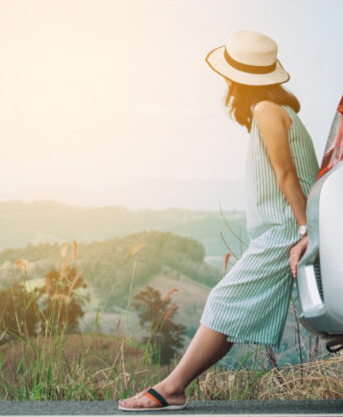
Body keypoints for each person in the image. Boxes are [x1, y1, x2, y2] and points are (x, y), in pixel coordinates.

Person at [118, 30, 319, 411]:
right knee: (226, 303)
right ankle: (172, 387)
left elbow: (287, 176)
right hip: (285, 227)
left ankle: (172, 388)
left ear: (237, 80)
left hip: (284, 230)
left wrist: (305, 230)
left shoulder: (264, 109)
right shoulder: (281, 110)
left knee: (224, 300)